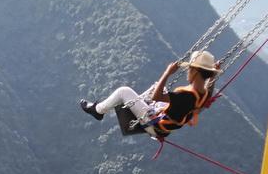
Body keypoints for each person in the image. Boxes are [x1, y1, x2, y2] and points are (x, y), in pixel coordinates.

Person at [80, 50, 220, 139]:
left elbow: (156, 97)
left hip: (155, 126)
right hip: (165, 126)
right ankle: (136, 105)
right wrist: (213, 76)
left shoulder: (184, 94)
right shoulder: (203, 94)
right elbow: (209, 90)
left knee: (124, 91)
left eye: (189, 70)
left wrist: (167, 73)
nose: (188, 73)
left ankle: (98, 110)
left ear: (194, 72)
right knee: (157, 88)